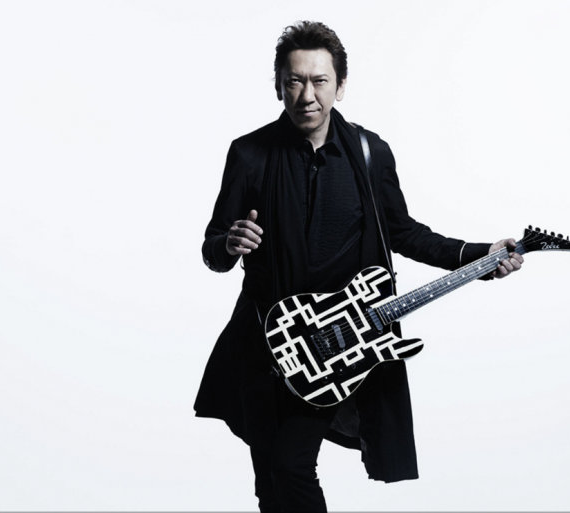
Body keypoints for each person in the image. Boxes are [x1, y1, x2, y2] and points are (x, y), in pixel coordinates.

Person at [195, 21, 524, 512]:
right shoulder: (249, 154)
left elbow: (403, 232)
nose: (307, 95)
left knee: (290, 464)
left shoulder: (370, 153)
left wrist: (480, 255)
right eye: (294, 81)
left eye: (320, 81)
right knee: (270, 481)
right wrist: (230, 243)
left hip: (336, 342)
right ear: (279, 85)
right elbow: (213, 249)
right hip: (263, 341)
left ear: (341, 85)